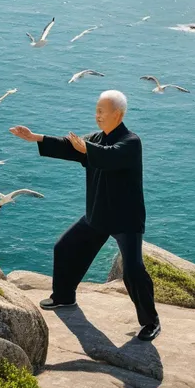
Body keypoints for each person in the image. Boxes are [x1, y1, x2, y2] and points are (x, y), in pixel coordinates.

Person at [9, 90, 160, 341]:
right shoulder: (95, 139)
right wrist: (35, 137)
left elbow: (110, 157)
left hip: (126, 219)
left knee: (133, 271)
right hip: (98, 215)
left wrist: (86, 148)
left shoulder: (131, 142)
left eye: (102, 111)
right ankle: (64, 297)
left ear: (118, 114)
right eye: (97, 110)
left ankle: (151, 322)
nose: (97, 115)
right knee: (65, 247)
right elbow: (70, 147)